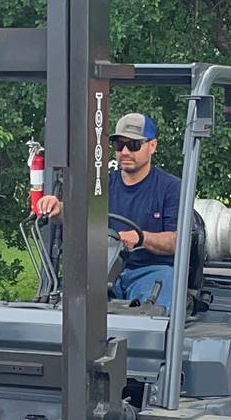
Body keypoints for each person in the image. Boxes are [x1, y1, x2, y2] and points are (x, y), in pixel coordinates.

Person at [33, 112, 181, 312]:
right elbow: (74, 213)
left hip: (148, 272)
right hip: (102, 272)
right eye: (120, 145)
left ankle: (146, 340)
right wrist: (57, 207)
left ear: (152, 146)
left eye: (134, 145)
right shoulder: (101, 184)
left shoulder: (170, 188)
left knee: (164, 282)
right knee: (65, 298)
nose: (125, 151)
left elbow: (175, 241)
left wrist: (141, 238)